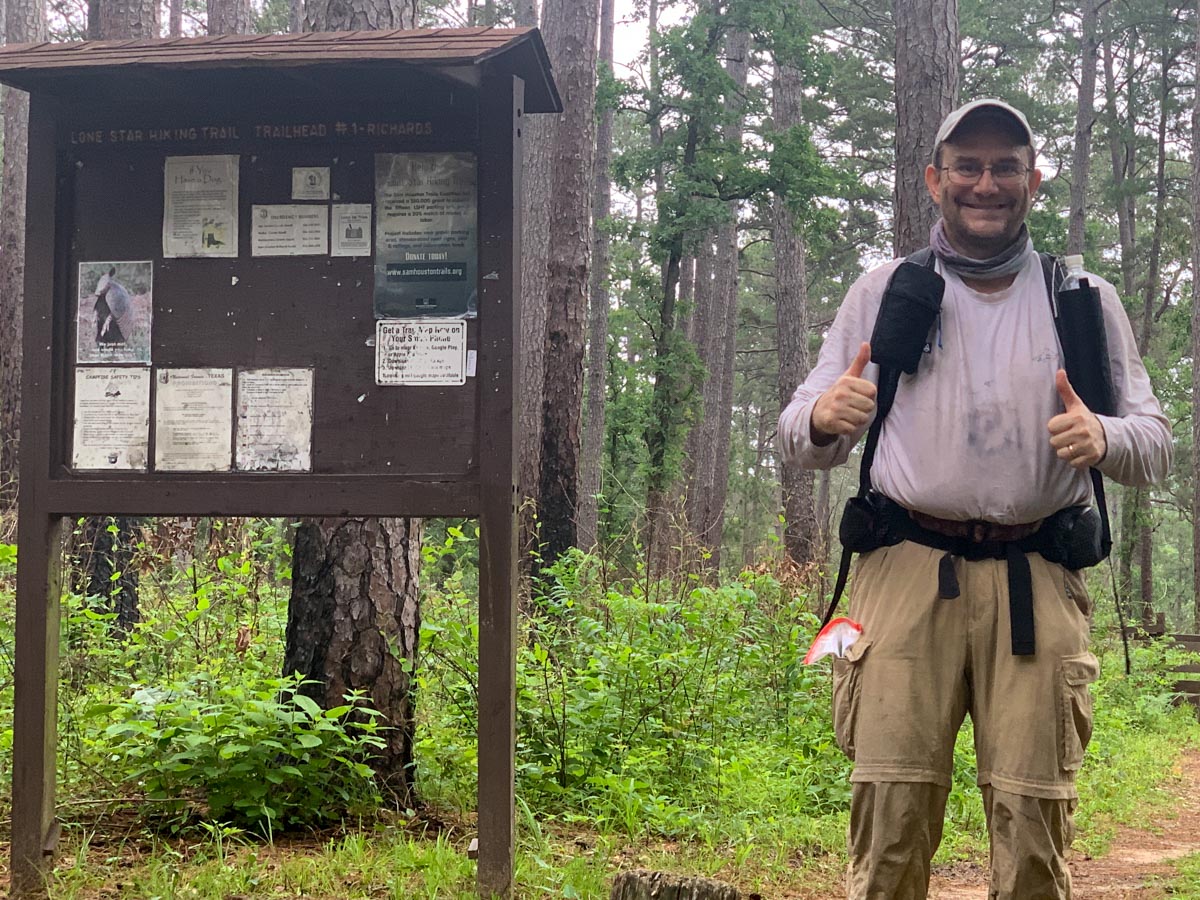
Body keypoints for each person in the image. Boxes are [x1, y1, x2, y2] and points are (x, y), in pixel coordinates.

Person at [778, 99, 1172, 899]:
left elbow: (1155, 444)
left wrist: (1103, 437)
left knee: (1033, 830)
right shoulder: (888, 290)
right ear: (935, 179)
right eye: (967, 166)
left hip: (1039, 576)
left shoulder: (1080, 299)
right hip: (903, 573)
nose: (985, 184)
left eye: (1004, 167)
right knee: (890, 823)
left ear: (1034, 181)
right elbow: (799, 431)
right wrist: (823, 418)